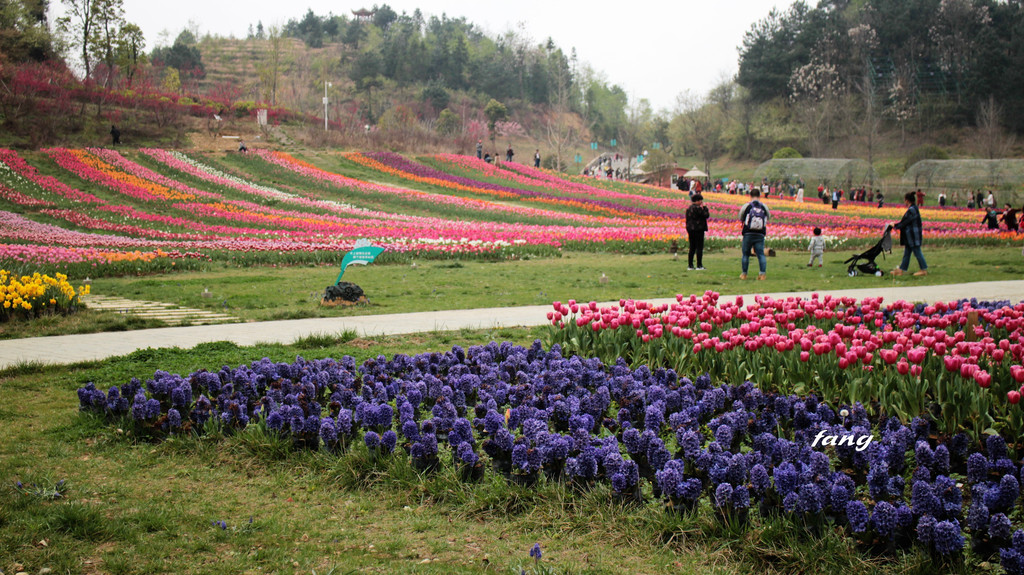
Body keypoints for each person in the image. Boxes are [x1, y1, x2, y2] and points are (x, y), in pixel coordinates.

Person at [892, 191, 928, 276]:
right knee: (907, 253)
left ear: (907, 200)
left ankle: (923, 270)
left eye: (905, 200)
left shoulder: (912, 210)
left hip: (913, 236)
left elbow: (905, 222)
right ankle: (901, 269)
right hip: (910, 236)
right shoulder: (913, 208)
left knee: (917, 252)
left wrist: (895, 225)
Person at [739, 188, 770, 280]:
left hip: (748, 233)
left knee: (745, 254)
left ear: (750, 195)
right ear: (759, 195)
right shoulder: (764, 206)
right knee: (760, 254)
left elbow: (740, 216)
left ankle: (744, 274)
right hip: (760, 233)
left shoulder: (747, 206)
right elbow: (768, 216)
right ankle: (762, 274)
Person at [685, 193, 709, 271]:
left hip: (691, 230)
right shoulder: (698, 209)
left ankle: (690, 265)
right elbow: (706, 215)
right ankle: (699, 265)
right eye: (700, 200)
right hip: (698, 229)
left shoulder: (689, 209)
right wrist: (705, 208)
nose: (701, 202)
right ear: (697, 201)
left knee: (692, 247)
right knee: (699, 247)